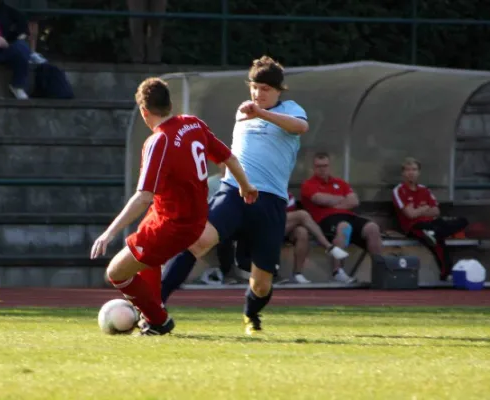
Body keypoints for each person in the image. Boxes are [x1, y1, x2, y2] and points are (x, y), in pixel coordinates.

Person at [160, 56, 347, 335]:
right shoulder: (243, 110)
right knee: (198, 241)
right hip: (234, 192)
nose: (259, 94)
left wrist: (262, 114)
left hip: (269, 203)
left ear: (279, 91)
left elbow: (300, 128)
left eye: (266, 89)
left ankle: (251, 315)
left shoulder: (291, 110)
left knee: (261, 284)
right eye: (255, 88)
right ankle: (154, 304)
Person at [90, 77, 257, 336]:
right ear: (170, 104)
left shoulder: (159, 141)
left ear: (144, 112)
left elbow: (144, 196)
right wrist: (246, 186)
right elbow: (229, 158)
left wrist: (109, 232)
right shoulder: (193, 124)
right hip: (185, 217)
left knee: (116, 272)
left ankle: (158, 320)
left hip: (172, 224)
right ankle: (151, 312)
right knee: (145, 262)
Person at [300, 152, 383, 283]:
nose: (322, 169)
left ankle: (380, 270)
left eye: (325, 166)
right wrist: (343, 200)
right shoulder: (308, 184)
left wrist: (332, 202)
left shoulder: (340, 182)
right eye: (318, 166)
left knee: (372, 227)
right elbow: (319, 199)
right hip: (324, 220)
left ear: (330, 166)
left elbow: (354, 201)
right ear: (313, 168)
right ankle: (337, 271)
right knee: (344, 227)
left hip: (348, 216)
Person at [393, 157, 469, 281]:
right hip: (415, 226)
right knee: (438, 240)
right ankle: (446, 273)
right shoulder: (399, 190)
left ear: (419, 172)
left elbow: (436, 211)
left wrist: (419, 209)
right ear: (403, 173)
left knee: (463, 221)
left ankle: (435, 233)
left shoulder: (424, 189)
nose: (411, 173)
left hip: (432, 223)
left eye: (414, 169)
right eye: (408, 170)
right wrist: (425, 208)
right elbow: (410, 215)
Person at [282, 192, 349, 284]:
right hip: (263, 227)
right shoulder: (262, 191)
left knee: (302, 232)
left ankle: (297, 274)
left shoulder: (287, 195)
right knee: (302, 214)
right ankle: (329, 247)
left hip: (281, 229)